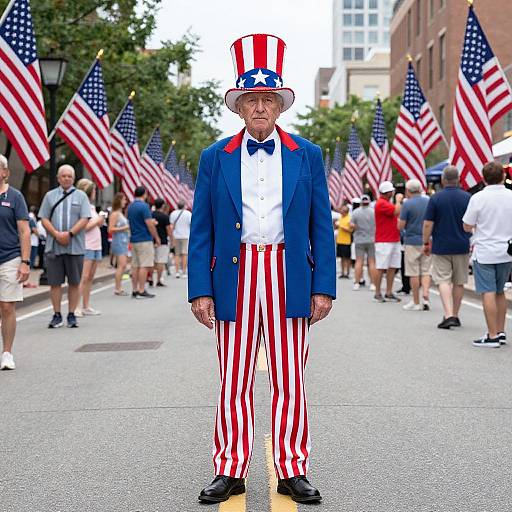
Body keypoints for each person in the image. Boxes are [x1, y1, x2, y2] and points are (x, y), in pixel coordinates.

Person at [189, 34, 335, 504]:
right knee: (233, 376)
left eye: (267, 99)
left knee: (291, 375)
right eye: (250, 99)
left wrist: (323, 287)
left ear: (280, 105)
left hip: (288, 272)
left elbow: (321, 227)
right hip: (235, 273)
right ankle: (230, 468)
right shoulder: (215, 157)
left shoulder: (306, 154)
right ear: (238, 107)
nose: (259, 107)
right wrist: (200, 289)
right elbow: (203, 229)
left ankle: (292, 468)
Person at [462, 162, 512, 347]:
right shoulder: (510, 195)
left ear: (483, 178)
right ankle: (500, 331)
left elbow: (467, 224)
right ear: (503, 176)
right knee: (500, 292)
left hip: (485, 250)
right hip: (506, 250)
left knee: (488, 292)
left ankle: (492, 335)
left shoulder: (478, 198)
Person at [39, 165, 90, 328]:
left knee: (74, 282)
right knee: (55, 282)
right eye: (64, 176)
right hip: (54, 246)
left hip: (75, 246)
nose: (67, 178)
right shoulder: (50, 196)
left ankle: (71, 314)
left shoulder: (81, 196)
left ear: (73, 178)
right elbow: (44, 218)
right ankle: (56, 314)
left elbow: (85, 218)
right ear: (58, 178)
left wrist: (69, 234)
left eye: (69, 176)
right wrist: (56, 234)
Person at [423, 166, 471, 329]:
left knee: (443, 280)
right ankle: (455, 315)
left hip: (441, 245)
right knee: (459, 281)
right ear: (458, 179)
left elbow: (428, 223)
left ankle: (448, 313)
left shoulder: (436, 198)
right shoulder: (467, 198)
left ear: (443, 180)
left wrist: (425, 242)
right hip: (462, 244)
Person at [0, 155, 31, 370]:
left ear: (4, 172)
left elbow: (24, 230)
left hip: (10, 258)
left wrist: (26, 261)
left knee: (7, 306)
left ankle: (7, 353)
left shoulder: (15, 196)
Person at [399, 179, 432, 311]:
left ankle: (416, 301)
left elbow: (400, 225)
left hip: (411, 240)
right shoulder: (428, 201)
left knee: (413, 272)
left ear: (408, 190)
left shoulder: (407, 204)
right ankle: (426, 297)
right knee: (426, 271)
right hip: (427, 240)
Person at [74, 179, 105, 317]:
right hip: (86, 245)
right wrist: (97, 221)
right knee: (83, 277)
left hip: (96, 245)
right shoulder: (80, 205)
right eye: (93, 190)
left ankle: (86, 305)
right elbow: (82, 227)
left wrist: (99, 220)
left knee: (90, 277)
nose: (95, 193)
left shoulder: (91, 207)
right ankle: (76, 307)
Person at [126, 186, 160, 298]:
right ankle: (141, 290)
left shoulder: (130, 206)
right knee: (144, 265)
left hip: (134, 239)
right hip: (144, 238)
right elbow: (149, 224)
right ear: (144, 194)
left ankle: (135, 289)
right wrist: (156, 237)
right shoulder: (144, 206)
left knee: (135, 265)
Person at [374, 181, 403, 302]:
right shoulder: (381, 203)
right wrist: (398, 200)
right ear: (387, 192)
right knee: (381, 267)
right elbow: (397, 211)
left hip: (393, 239)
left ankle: (389, 292)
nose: (393, 192)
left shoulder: (385, 202)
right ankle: (377, 292)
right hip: (384, 241)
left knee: (392, 266)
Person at [350, 194, 376, 291]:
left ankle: (357, 283)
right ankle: (373, 284)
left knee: (359, 261)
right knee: (372, 262)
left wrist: (357, 227)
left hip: (359, 239)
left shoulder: (356, 212)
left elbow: (351, 224)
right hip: (371, 239)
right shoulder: (373, 212)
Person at [108, 192, 130, 296]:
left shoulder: (121, 213)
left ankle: (119, 287)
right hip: (118, 241)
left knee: (123, 265)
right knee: (121, 265)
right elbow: (110, 229)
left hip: (124, 240)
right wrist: (124, 228)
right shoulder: (115, 214)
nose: (125, 202)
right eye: (124, 200)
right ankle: (117, 288)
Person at [152, 198, 172, 286]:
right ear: (163, 205)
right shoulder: (165, 217)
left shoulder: (150, 215)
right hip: (163, 241)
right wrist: (171, 238)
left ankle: (150, 278)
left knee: (152, 261)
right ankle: (158, 280)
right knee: (161, 261)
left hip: (151, 240)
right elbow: (168, 230)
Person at [170, 201, 192, 278]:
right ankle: (184, 272)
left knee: (177, 254)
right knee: (185, 254)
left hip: (176, 236)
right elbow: (191, 225)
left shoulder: (173, 213)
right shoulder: (188, 214)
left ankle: (177, 272)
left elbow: (171, 226)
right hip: (186, 236)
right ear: (184, 206)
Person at [336, 204, 352, 278]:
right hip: (340, 240)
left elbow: (350, 230)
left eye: (342, 211)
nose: (341, 212)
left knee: (347, 258)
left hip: (347, 241)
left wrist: (341, 226)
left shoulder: (349, 219)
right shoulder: (340, 218)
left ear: (346, 212)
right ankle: (342, 272)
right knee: (341, 258)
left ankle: (348, 272)